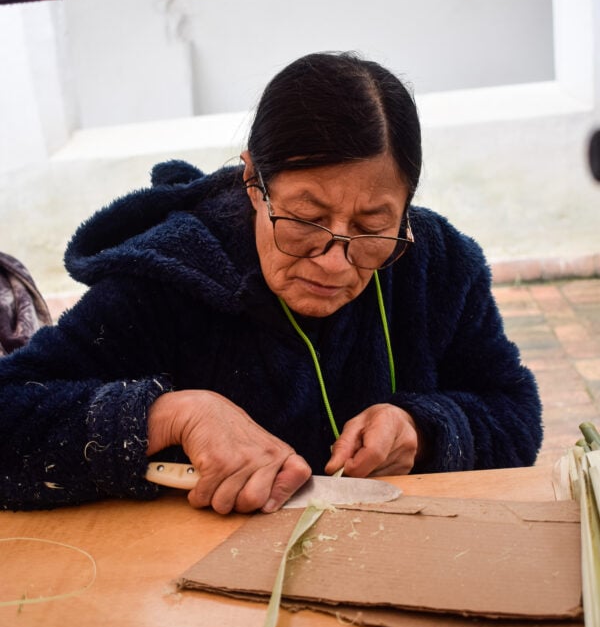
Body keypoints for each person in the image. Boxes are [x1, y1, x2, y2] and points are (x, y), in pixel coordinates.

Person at [0, 52, 542, 515]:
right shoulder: (164, 279)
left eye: (373, 227)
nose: (335, 263)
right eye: (306, 219)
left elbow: (515, 413)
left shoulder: (438, 264)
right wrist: (172, 415)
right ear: (253, 182)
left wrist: (424, 430)